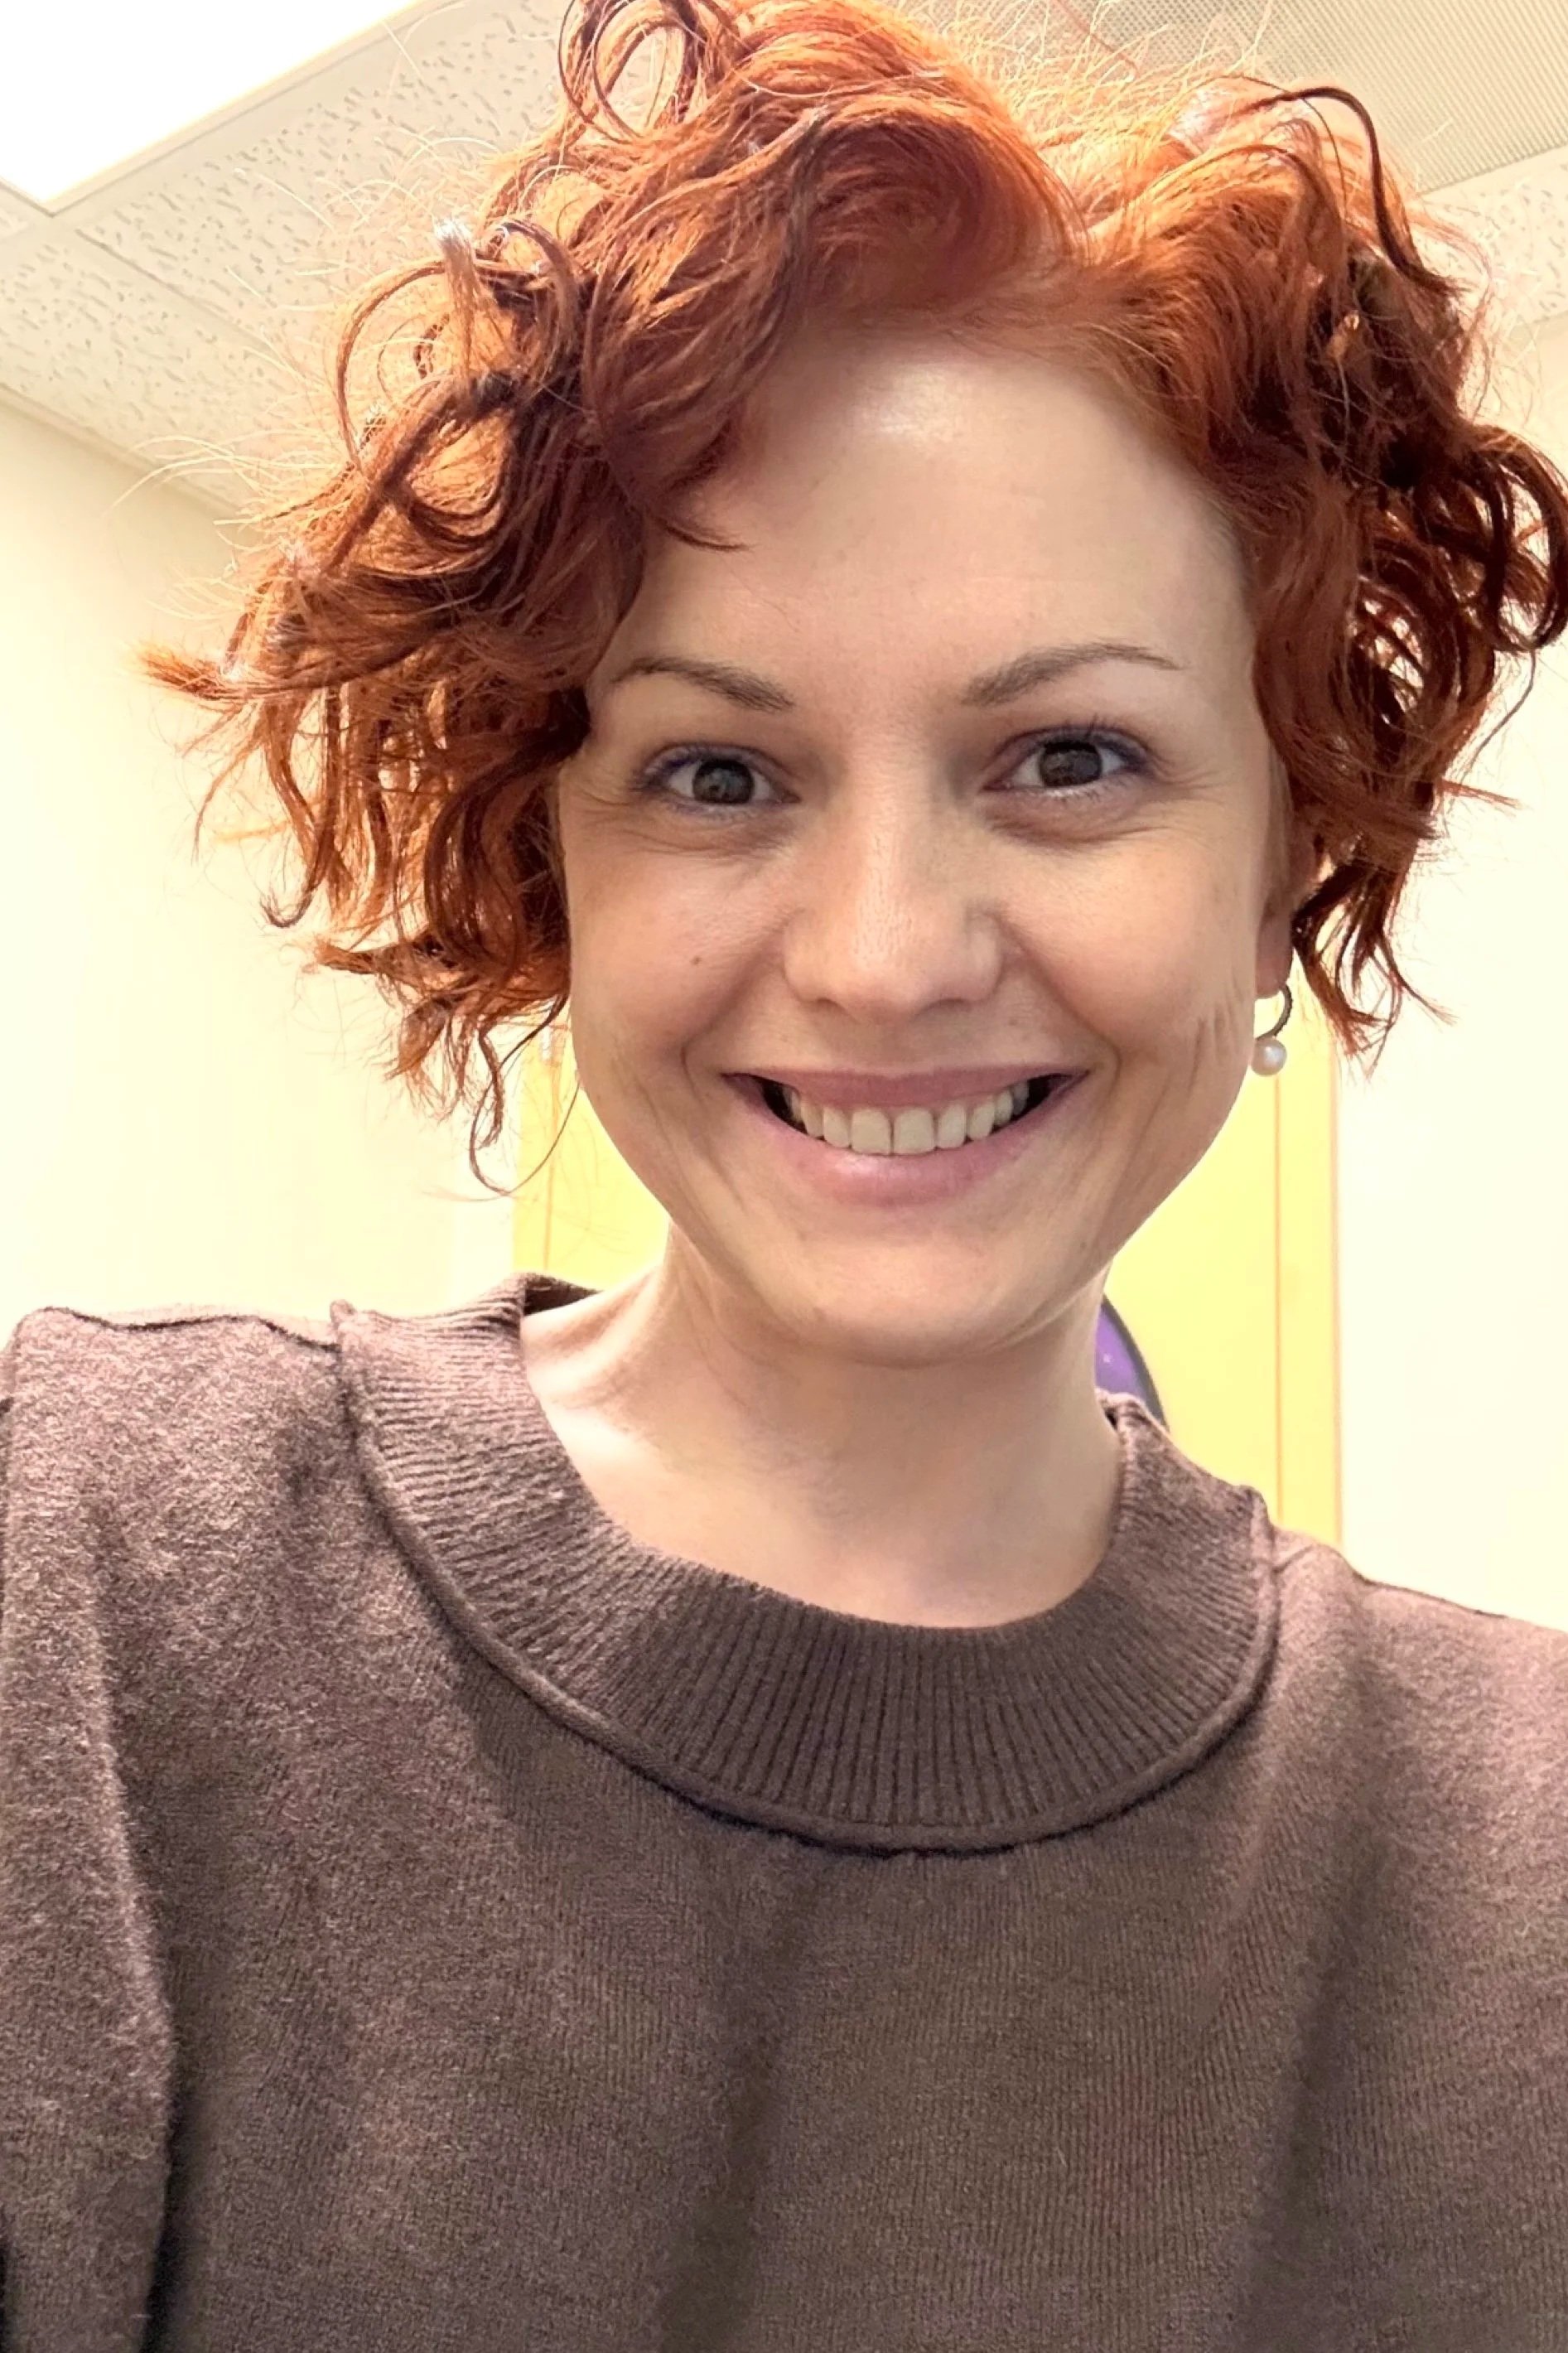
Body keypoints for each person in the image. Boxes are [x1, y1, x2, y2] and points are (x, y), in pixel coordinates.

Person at [3, 0, 1568, 2343]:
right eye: (719, 777)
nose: (882, 957)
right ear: (552, 864)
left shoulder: (1516, 1857)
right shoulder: (94, 1571)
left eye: (1068, 757)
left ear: (1286, 865)